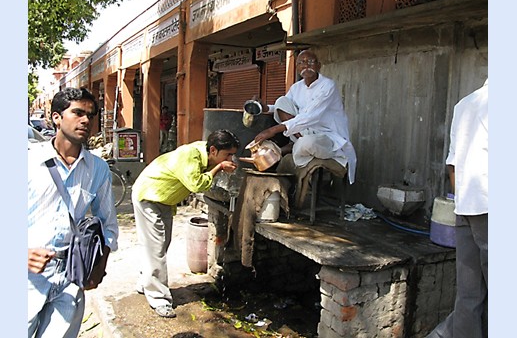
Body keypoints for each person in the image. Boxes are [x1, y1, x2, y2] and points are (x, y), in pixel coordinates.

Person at [28, 87, 119, 337]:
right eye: (78, 113)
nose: (86, 120)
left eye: (91, 115)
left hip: (71, 274)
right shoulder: (27, 161)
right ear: (56, 117)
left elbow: (107, 222)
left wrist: (100, 266)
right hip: (26, 276)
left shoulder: (97, 168)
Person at [131, 129, 240, 318]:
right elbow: (197, 185)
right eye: (227, 154)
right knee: (156, 247)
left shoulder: (205, 152)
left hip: (163, 199)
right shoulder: (190, 155)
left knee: (161, 245)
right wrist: (219, 168)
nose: (231, 158)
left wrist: (219, 165)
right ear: (213, 150)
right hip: (148, 196)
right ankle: (159, 300)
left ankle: (145, 282)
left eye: (232, 154)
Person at [426, 79, 488, 338]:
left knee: (469, 295)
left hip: (466, 206)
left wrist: (462, 203)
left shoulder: (465, 104)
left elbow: (452, 165)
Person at [253, 49, 357, 184]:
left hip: (327, 137)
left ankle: (287, 147)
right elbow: (280, 107)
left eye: (310, 62)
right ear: (297, 68)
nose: (306, 65)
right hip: (303, 132)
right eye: (302, 62)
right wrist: (264, 107)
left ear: (319, 66)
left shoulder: (327, 86)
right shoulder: (296, 88)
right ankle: (289, 146)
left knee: (307, 143)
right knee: (281, 101)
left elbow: (310, 116)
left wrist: (272, 130)